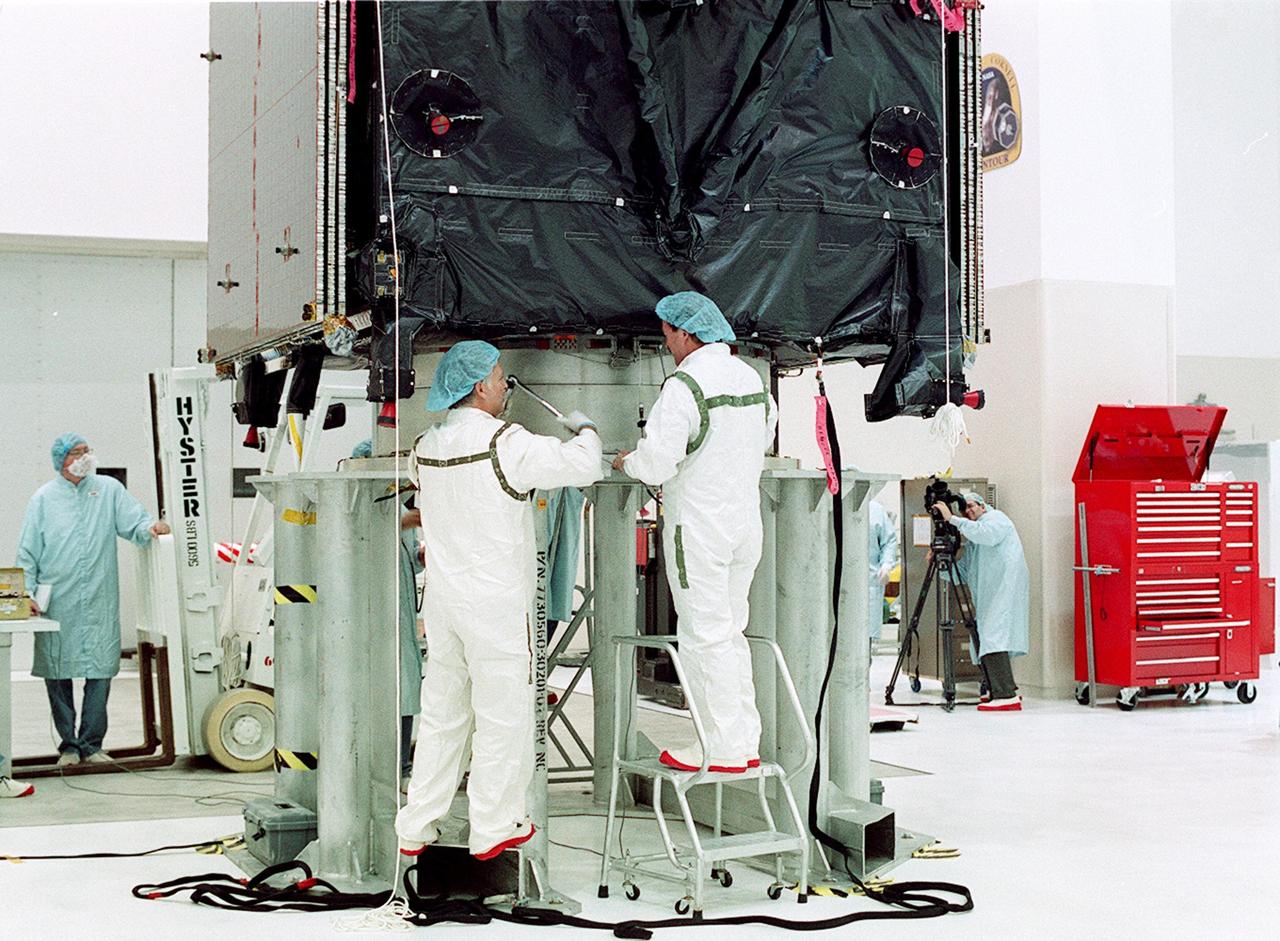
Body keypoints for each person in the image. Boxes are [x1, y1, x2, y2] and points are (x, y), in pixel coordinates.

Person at [396, 341, 602, 859]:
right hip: (496, 606)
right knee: (503, 715)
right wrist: (586, 430)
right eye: (502, 377)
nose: (507, 385)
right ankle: (493, 825)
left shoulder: (424, 446)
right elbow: (585, 468)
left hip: (443, 605)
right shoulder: (506, 442)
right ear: (482, 385)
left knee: (443, 714)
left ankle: (416, 825)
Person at [613, 291, 777, 773]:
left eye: (667, 336)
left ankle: (720, 746)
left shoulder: (684, 386)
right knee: (731, 632)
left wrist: (629, 463)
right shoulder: (750, 378)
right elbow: (763, 432)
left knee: (704, 636)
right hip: (744, 526)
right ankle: (742, 740)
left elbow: (659, 461)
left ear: (686, 334)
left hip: (700, 531)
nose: (666, 345)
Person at [15, 434, 170, 766]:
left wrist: (151, 528)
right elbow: (27, 552)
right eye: (76, 452)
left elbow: (134, 521)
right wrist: (26, 593)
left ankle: (92, 744)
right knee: (58, 674)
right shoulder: (43, 499)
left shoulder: (109, 490)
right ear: (62, 460)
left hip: (99, 598)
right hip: (57, 602)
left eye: (87, 451)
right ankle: (69, 746)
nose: (85, 457)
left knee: (99, 671)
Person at [351, 439, 424, 788]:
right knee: (389, 685)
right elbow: (382, 526)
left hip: (402, 614)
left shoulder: (401, 505)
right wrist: (408, 520)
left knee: (406, 685)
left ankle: (402, 764)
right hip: (379, 614)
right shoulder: (372, 505)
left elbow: (407, 557)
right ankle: (390, 765)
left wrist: (421, 556)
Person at [932, 491, 1029, 712]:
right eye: (964, 508)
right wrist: (940, 562)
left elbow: (986, 535)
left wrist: (952, 519)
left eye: (971, 506)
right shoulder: (974, 537)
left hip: (1004, 589)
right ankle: (1000, 689)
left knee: (994, 636)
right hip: (991, 593)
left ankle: (1006, 695)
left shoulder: (995, 520)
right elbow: (962, 573)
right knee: (989, 636)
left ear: (983, 506)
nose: (968, 511)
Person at [868, 499, 900, 653]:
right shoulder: (826, 502)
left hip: (867, 584)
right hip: (831, 586)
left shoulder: (874, 509)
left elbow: (889, 541)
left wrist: (886, 564)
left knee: (863, 645)